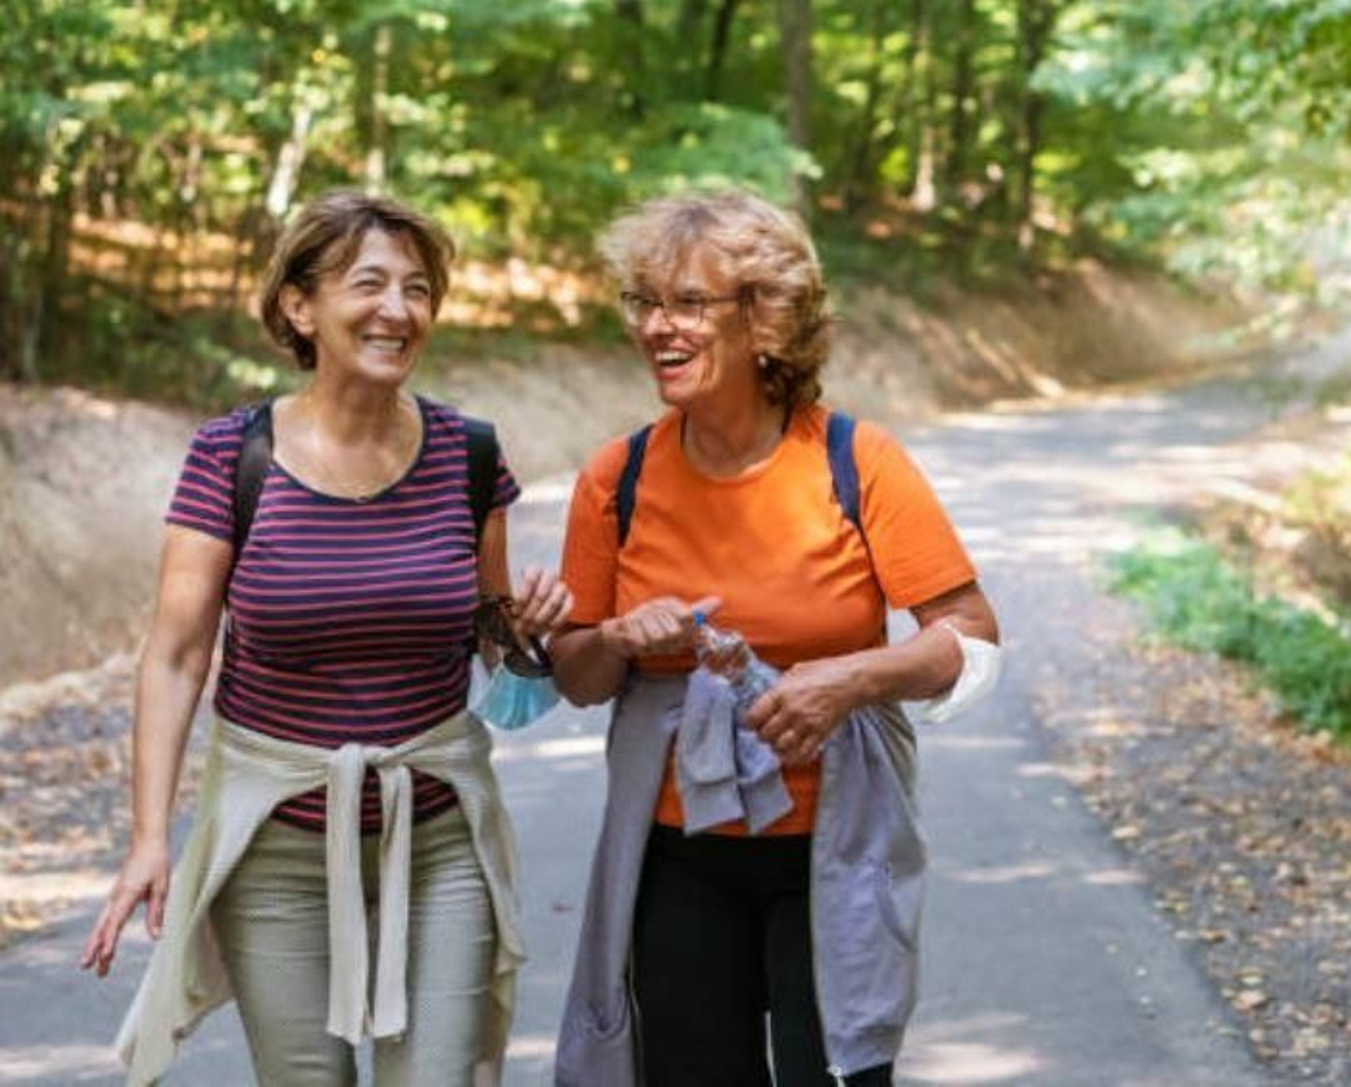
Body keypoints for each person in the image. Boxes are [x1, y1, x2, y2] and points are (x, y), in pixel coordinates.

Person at [79, 190, 573, 1087]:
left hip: (439, 838)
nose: (398, 309)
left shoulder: (468, 454)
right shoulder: (233, 456)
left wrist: (527, 634)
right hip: (278, 849)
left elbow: (499, 655)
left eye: (418, 289)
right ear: (300, 307)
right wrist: (150, 834)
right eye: (369, 283)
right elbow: (178, 652)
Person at [549, 190, 1000, 1086]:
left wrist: (852, 678)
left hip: (834, 849)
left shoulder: (854, 461)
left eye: (688, 303)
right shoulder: (619, 476)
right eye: (644, 303)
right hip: (678, 859)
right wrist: (618, 637)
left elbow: (972, 639)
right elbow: (576, 674)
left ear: (766, 319)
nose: (656, 327)